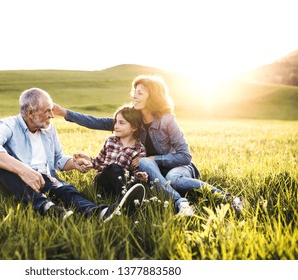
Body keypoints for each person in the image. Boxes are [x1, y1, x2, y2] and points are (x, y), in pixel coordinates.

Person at [53, 75, 243, 216]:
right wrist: (65, 113)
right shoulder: (133, 119)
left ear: (152, 97)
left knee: (173, 179)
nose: (134, 95)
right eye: (134, 91)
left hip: (178, 167)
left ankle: (222, 199)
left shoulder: (168, 120)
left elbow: (185, 156)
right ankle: (179, 201)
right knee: (148, 167)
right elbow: (96, 121)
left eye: (140, 92)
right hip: (151, 173)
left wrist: (153, 158)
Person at [0, 87, 145, 222]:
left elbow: (57, 159)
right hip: (13, 183)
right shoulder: (8, 125)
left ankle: (102, 213)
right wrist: (24, 171)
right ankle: (46, 207)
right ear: (30, 113)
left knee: (67, 190)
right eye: (47, 111)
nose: (51, 115)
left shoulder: (48, 129)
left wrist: (73, 163)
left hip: (45, 179)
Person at [73, 106, 148, 198]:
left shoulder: (139, 149)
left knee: (122, 174)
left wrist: (139, 176)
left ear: (134, 127)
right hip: (102, 183)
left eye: (121, 123)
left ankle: (124, 196)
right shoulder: (110, 141)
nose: (116, 126)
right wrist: (87, 159)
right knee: (113, 168)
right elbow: (98, 163)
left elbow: (135, 174)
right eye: (115, 121)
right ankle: (126, 197)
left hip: (123, 183)